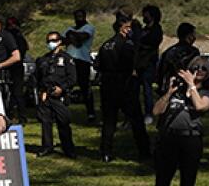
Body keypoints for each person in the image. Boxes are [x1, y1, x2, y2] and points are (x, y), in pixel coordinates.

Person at [140, 56, 209, 186]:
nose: (199, 71)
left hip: (191, 140)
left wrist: (192, 86)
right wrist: (169, 92)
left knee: (187, 185)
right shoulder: (176, 91)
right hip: (168, 139)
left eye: (203, 69)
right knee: (162, 183)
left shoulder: (207, 93)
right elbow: (156, 111)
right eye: (196, 67)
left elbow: (200, 106)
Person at [97, 19, 148, 162]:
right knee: (136, 120)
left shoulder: (106, 45)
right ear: (124, 28)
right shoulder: (127, 45)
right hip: (124, 85)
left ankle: (105, 151)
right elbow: (130, 64)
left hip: (107, 85)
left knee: (109, 121)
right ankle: (144, 151)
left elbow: (98, 65)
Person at [34, 31, 78, 158]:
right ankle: (47, 147)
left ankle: (68, 149)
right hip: (46, 95)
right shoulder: (43, 59)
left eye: (53, 40)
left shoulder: (66, 59)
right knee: (45, 122)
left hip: (60, 95)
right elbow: (37, 77)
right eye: (48, 41)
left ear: (59, 42)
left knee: (63, 123)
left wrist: (62, 88)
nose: (50, 43)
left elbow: (72, 78)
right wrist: (41, 91)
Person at [64, 9, 96, 122]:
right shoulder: (69, 28)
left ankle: (91, 112)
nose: (79, 18)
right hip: (69, 60)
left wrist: (72, 35)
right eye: (77, 16)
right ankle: (63, 111)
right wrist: (74, 37)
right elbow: (65, 40)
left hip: (83, 60)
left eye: (81, 16)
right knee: (66, 86)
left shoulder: (89, 28)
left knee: (85, 86)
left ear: (85, 16)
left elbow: (81, 39)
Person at [156, 22, 199, 94]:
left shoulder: (168, 51)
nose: (195, 37)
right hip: (186, 88)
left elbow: (161, 72)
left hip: (169, 87)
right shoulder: (193, 52)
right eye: (193, 34)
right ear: (188, 36)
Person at [4, 17, 29, 122]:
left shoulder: (15, 37)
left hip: (15, 66)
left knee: (16, 93)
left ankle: (20, 115)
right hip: (11, 66)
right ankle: (13, 114)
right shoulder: (13, 36)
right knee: (13, 93)